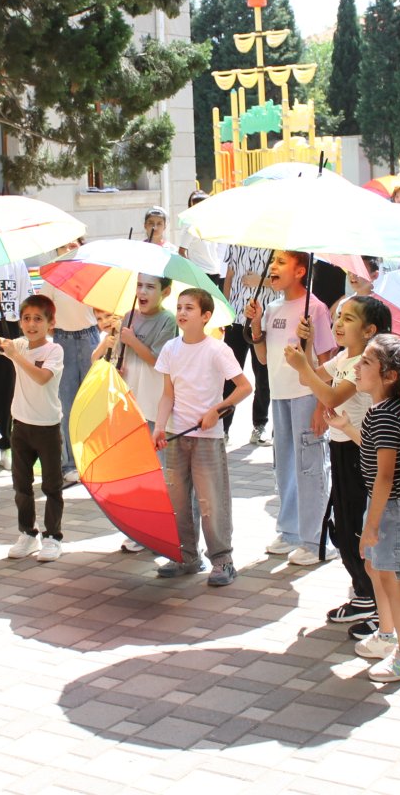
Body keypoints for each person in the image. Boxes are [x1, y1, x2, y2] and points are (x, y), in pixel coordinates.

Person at [285, 294, 391, 639]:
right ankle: (362, 593)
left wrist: (304, 367)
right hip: (342, 447)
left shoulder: (365, 361)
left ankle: (378, 603)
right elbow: (310, 379)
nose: (339, 324)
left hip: (363, 451)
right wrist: (309, 347)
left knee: (359, 531)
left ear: (370, 329)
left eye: (347, 318)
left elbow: (330, 396)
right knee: (343, 527)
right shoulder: (346, 356)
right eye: (338, 316)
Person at [152, 288, 253, 585]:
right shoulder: (170, 349)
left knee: (211, 500)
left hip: (208, 438)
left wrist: (217, 410)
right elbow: (167, 394)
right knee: (178, 498)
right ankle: (185, 555)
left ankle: (223, 560)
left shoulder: (218, 349)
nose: (182, 313)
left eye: (190, 308)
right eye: (180, 307)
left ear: (206, 316)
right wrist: (159, 426)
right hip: (176, 434)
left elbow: (245, 387)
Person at [351, 333, 400, 683]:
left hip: (397, 507)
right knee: (375, 567)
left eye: (366, 361)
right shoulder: (382, 410)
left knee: (393, 579)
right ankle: (387, 637)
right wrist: (347, 429)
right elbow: (375, 451)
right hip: (389, 504)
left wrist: (371, 525)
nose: (357, 365)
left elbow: (385, 476)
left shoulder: (386, 415)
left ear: (389, 376)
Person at [248, 250, 337, 566]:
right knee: (285, 464)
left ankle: (318, 539)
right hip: (280, 396)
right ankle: (290, 531)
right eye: (273, 261)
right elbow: (261, 358)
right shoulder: (271, 308)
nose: (273, 267)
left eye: (281, 262)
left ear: (301, 271)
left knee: (311, 466)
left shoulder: (315, 308)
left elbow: (328, 362)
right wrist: (256, 327)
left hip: (306, 396)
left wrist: (321, 406)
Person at [93, 275, 177, 551]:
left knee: (156, 466)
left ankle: (160, 527)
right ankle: (139, 527)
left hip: (153, 401)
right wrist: (117, 355)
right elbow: (117, 353)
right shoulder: (128, 315)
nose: (142, 291)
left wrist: (131, 339)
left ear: (165, 292)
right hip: (128, 399)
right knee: (134, 465)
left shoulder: (168, 321)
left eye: (150, 287)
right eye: (140, 285)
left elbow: (157, 360)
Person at [0, 294, 66, 560]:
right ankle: (28, 533)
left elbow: (41, 378)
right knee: (21, 486)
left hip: (47, 427)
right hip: (21, 426)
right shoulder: (19, 344)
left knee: (52, 485)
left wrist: (16, 356)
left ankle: (53, 537)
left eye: (38, 319)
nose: (31, 324)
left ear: (50, 323)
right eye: (26, 318)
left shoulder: (54, 350)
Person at [42, 243, 99, 484]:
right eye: (63, 245)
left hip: (89, 338)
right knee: (66, 403)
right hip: (63, 339)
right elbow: (43, 307)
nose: (69, 248)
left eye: (73, 242)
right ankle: (69, 464)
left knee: (93, 401)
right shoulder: (53, 276)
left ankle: (95, 459)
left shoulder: (91, 272)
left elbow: (103, 306)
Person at [0, 259, 33, 453]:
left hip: (10, 326)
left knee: (7, 387)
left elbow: (26, 297)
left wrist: (25, 325)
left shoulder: (16, 263)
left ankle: (4, 444)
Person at [223, 244, 276, 444]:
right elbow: (229, 277)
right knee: (229, 375)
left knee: (263, 375)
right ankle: (223, 427)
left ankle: (259, 425)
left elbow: (284, 282)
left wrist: (262, 282)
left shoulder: (277, 246)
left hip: (265, 319)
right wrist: (226, 310)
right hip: (236, 316)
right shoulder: (237, 241)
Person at [178, 192, 226, 289]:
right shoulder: (190, 227)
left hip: (215, 272)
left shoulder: (213, 225)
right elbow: (181, 251)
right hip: (200, 273)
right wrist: (193, 271)